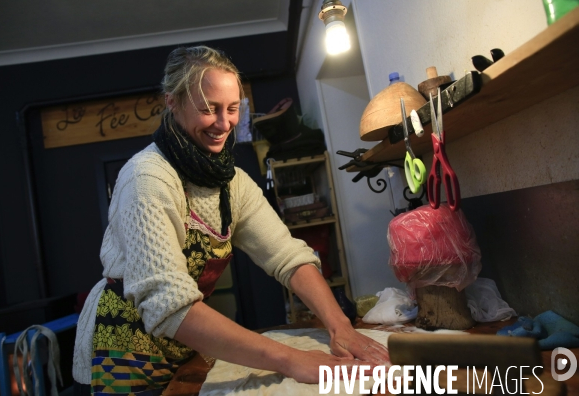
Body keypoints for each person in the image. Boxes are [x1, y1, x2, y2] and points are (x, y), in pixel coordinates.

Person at [72, 45, 389, 395]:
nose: (224, 124)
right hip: (125, 347)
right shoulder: (147, 179)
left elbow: (287, 256)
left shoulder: (232, 182)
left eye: (233, 108)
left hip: (186, 341)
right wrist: (290, 359)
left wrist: (339, 325)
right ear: (172, 102)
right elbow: (169, 304)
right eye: (209, 109)